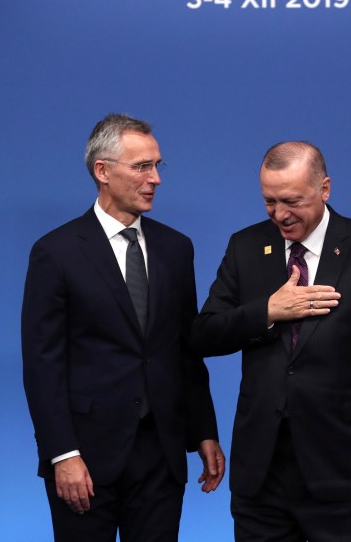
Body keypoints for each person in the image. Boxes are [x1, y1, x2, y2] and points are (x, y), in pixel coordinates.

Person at [193, 141, 351, 541]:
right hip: (262, 471)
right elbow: (204, 333)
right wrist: (269, 311)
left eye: (292, 201)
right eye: (269, 202)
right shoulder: (245, 246)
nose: (280, 214)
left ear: (324, 189)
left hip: (343, 469)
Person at [21, 113, 224, 541]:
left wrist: (203, 431)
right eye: (142, 166)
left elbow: (185, 350)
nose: (156, 179)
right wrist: (63, 454)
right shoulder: (55, 252)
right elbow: (43, 365)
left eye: (157, 166)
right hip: (86, 457)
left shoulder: (175, 248)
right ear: (103, 171)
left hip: (161, 454)